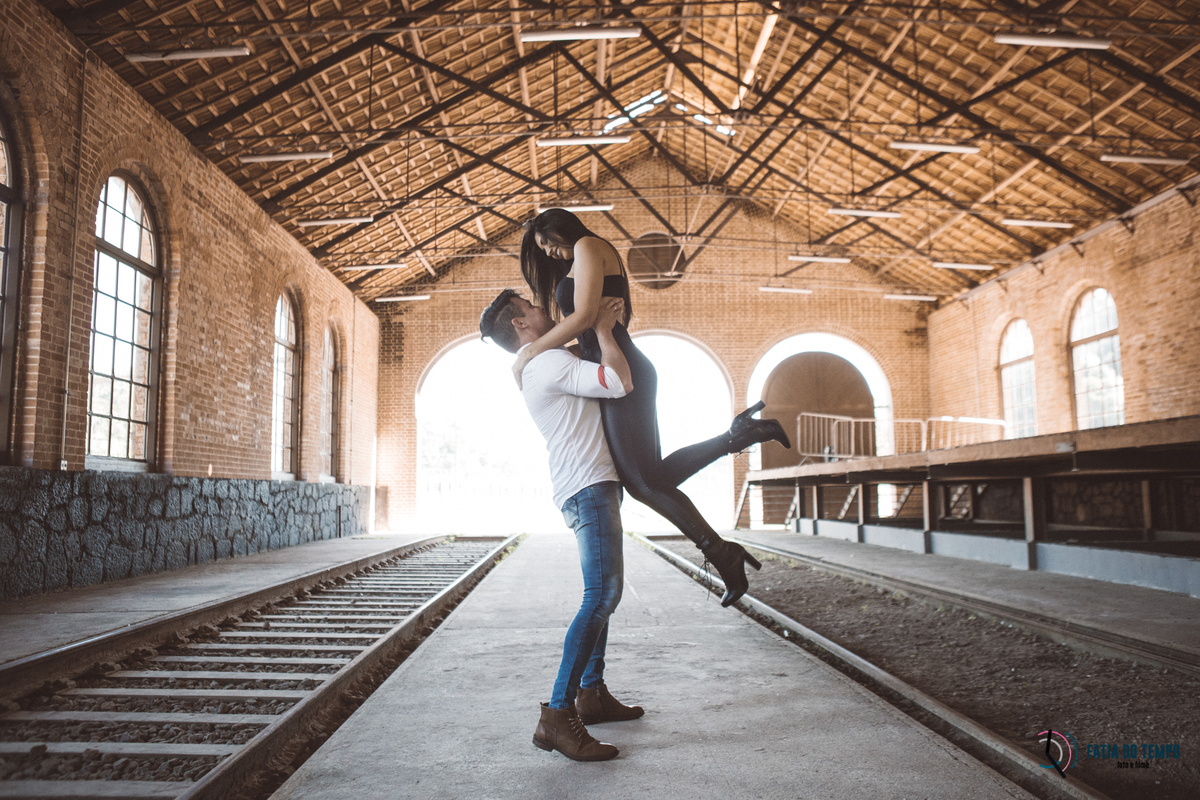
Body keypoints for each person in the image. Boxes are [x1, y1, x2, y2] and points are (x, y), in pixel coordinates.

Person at [512, 208, 791, 607]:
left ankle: (721, 551)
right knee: (651, 477)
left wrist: (531, 352)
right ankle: (740, 437)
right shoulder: (580, 257)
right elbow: (589, 330)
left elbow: (587, 317)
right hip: (616, 364)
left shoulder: (588, 245)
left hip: (625, 370)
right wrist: (554, 354)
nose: (549, 253)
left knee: (642, 484)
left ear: (561, 230)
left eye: (548, 244)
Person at [480, 289, 643, 763]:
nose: (541, 308)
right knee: (602, 595)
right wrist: (603, 328)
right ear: (519, 324)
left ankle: (591, 693)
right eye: (531, 306)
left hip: (587, 486)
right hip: (588, 487)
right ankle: (557, 714)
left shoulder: (539, 361)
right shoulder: (548, 363)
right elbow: (618, 382)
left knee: (601, 595)